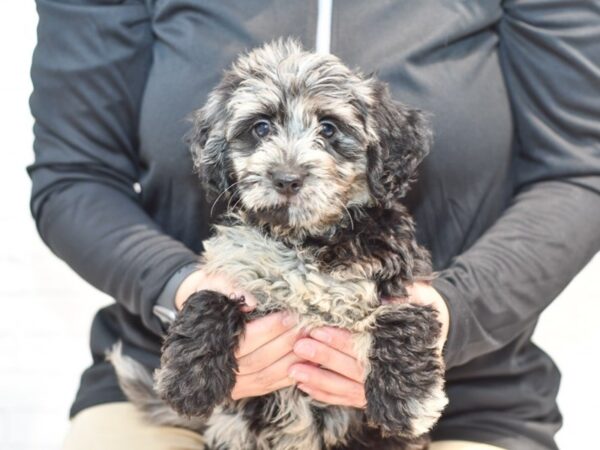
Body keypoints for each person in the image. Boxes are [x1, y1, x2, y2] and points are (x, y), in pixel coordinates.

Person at [28, 1, 600, 449]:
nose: (289, 165)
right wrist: (178, 292)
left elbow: (581, 173)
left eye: (328, 131)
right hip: (179, 378)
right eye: (258, 131)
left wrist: (450, 314)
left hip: (469, 390)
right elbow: (75, 176)